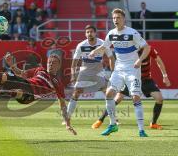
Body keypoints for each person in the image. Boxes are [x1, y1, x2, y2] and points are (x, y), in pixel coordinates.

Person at [0, 53, 77, 135]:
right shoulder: (40, 70)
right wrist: (12, 65)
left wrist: (67, 123)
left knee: (20, 92)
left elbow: (62, 104)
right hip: (25, 84)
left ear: (58, 66)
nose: (51, 64)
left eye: (54, 63)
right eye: (49, 62)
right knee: (0, 76)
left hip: (30, 96)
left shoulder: (58, 83)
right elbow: (22, 73)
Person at [89, 8, 151, 137]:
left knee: (135, 97)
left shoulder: (132, 33)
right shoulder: (111, 33)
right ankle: (112, 125)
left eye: (118, 18)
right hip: (118, 69)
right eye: (114, 18)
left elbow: (147, 47)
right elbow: (105, 46)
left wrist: (139, 60)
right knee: (109, 93)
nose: (115, 20)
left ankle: (141, 130)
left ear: (124, 19)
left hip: (132, 69)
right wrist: (95, 51)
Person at [92, 47, 171, 130]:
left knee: (159, 99)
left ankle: (153, 123)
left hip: (146, 79)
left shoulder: (149, 49)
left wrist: (165, 76)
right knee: (117, 99)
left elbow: (159, 61)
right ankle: (100, 120)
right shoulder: (130, 50)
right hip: (131, 79)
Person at [66, 25, 115, 122]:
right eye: (87, 32)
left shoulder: (102, 44)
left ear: (95, 33)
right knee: (76, 93)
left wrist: (113, 72)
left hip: (99, 71)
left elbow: (111, 58)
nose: (89, 34)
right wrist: (72, 75)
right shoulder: (81, 45)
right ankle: (67, 118)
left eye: (91, 32)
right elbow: (74, 63)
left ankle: (114, 118)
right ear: (85, 34)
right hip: (85, 71)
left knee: (107, 93)